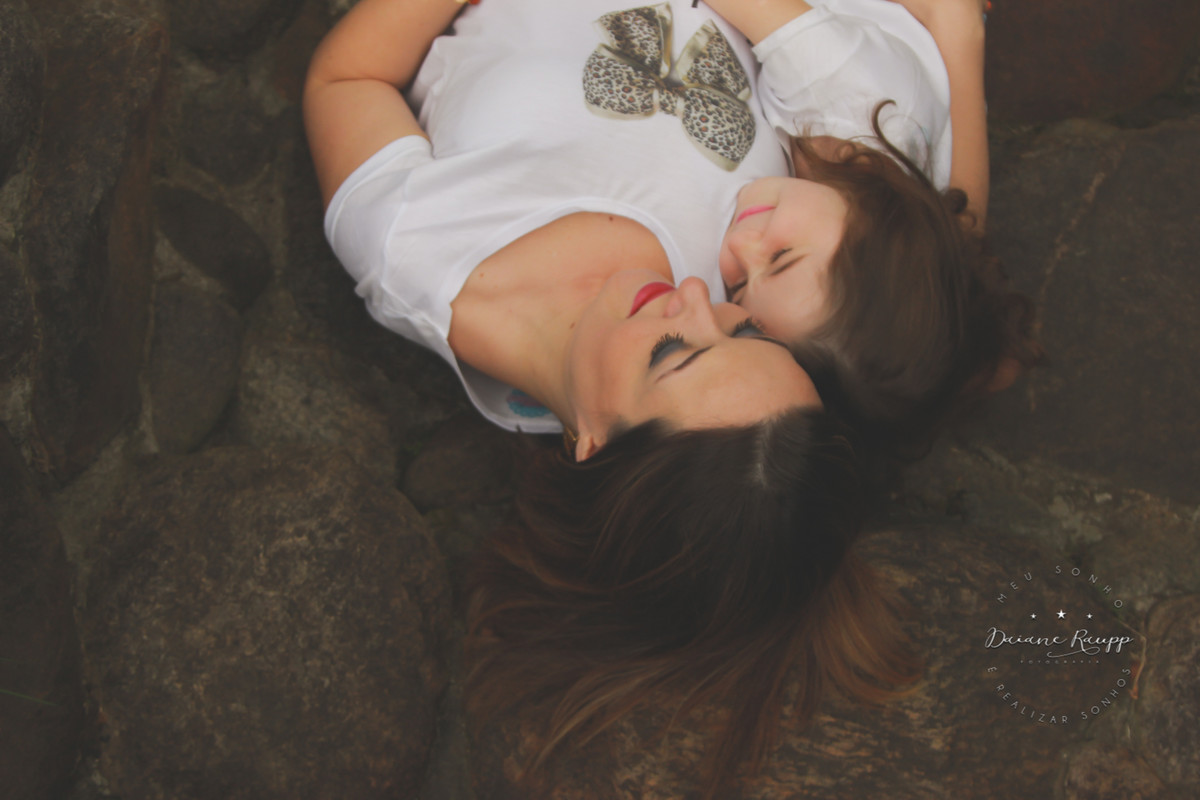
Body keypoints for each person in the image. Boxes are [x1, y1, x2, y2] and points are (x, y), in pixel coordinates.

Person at [303, 0, 917, 796]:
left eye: (672, 353)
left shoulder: (412, 248)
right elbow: (916, 220)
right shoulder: (755, 268)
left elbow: (346, 77)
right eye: (747, 332)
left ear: (589, 444)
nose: (699, 296)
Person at [709, 0, 1043, 453]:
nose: (739, 246)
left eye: (738, 288)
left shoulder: (924, 236)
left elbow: (970, 231)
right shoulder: (841, 90)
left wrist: (961, 31)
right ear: (875, 230)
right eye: (780, 258)